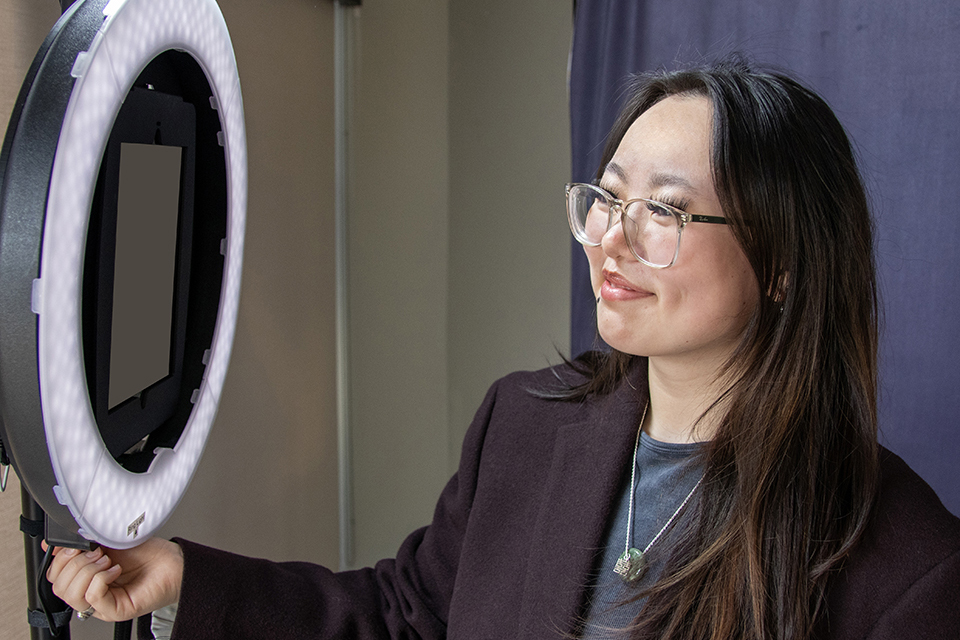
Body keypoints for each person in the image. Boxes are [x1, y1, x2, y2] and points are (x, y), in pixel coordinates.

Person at [48, 59, 960, 640]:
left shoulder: (905, 566)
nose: (610, 239)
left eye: (667, 213)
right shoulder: (527, 425)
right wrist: (181, 580)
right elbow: (408, 616)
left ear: (786, 265)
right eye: (607, 199)